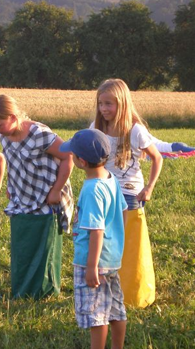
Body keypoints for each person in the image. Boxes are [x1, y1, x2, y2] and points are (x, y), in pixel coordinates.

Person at [0, 94, 74, 299]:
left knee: (43, 247)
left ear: (13, 117)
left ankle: (43, 292)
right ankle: (24, 289)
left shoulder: (39, 134)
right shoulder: (5, 134)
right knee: (23, 245)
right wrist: (11, 186)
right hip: (22, 197)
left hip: (47, 198)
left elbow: (68, 157)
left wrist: (56, 190)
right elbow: (12, 160)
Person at [92, 78, 163, 308]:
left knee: (127, 244)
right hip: (105, 191)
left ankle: (131, 292)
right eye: (101, 104)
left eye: (109, 104)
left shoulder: (135, 131)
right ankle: (106, 288)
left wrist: (149, 187)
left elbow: (157, 157)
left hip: (129, 195)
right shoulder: (98, 127)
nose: (104, 109)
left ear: (122, 103)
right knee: (105, 242)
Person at [60, 129, 127, 349]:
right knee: (116, 309)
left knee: (96, 314)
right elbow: (123, 211)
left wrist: (91, 267)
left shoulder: (91, 189)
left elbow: (96, 230)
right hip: (112, 258)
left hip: (92, 262)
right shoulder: (111, 179)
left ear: (80, 161)